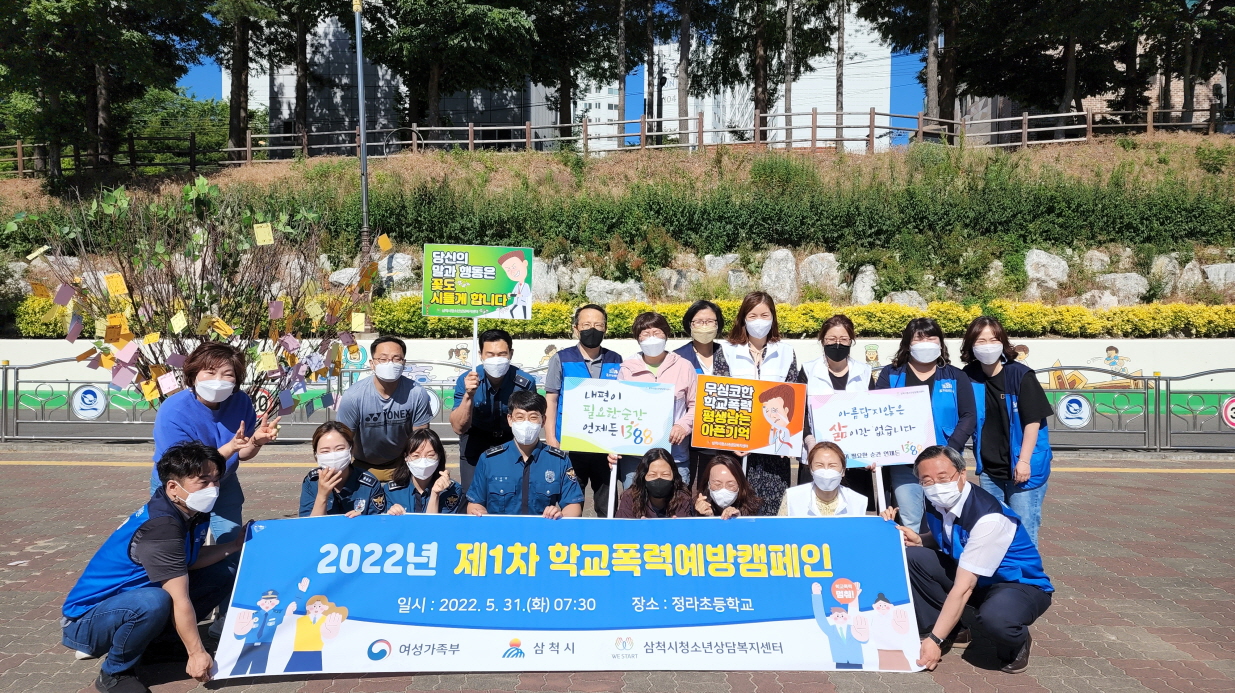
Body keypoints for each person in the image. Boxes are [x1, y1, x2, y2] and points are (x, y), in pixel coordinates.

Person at [62, 442, 245, 693]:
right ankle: (115, 673)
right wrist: (196, 652)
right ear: (173, 487)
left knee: (223, 571)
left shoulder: (189, 509)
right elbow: (179, 597)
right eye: (203, 482)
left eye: (216, 481)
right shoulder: (162, 528)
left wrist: (233, 546)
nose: (212, 489)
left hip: (128, 602)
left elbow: (189, 560)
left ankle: (159, 647)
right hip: (86, 620)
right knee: (154, 600)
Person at [894, 445, 1053, 674]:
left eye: (943, 478)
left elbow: (964, 587)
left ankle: (1017, 641)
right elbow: (949, 535)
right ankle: (952, 631)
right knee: (913, 557)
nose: (935, 486)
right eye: (926, 480)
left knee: (997, 619)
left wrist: (935, 641)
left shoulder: (988, 518)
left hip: (1017, 584)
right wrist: (921, 539)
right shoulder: (935, 500)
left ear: (962, 473)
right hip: (976, 576)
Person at [152, 342, 278, 549]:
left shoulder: (241, 402)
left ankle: (226, 570)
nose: (218, 381)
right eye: (210, 372)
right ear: (193, 375)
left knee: (233, 542)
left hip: (223, 481)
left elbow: (242, 453)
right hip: (181, 484)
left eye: (227, 374)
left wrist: (256, 441)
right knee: (176, 546)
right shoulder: (173, 411)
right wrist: (231, 447)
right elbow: (186, 469)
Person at [872, 317, 976, 533]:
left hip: (944, 462)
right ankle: (914, 554)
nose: (926, 343)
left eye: (931, 338)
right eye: (919, 339)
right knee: (909, 521)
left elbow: (968, 415)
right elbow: (877, 413)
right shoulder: (891, 374)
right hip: (903, 463)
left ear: (941, 343)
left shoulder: (956, 376)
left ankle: (944, 554)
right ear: (907, 344)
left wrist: (950, 450)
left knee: (945, 519)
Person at [960, 316, 1053, 544]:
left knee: (1023, 533)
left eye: (994, 339)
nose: (988, 346)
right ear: (971, 345)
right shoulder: (969, 376)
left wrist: (1024, 461)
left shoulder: (1020, 375)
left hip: (1023, 469)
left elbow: (1033, 421)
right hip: (990, 470)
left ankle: (1025, 570)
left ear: (1003, 342)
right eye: (981, 341)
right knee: (993, 532)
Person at [718, 291, 800, 515]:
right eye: (752, 316)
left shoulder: (785, 352)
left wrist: (789, 439)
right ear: (743, 318)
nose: (759, 321)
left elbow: (793, 396)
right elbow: (721, 400)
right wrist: (732, 441)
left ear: (773, 318)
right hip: (738, 447)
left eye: (765, 315)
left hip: (774, 448)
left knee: (772, 510)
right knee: (736, 508)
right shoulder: (726, 351)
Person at [543, 304, 622, 516]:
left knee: (607, 505)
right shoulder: (561, 359)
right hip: (570, 443)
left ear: (605, 328)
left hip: (604, 445)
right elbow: (551, 400)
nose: (592, 329)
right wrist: (551, 438)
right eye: (586, 325)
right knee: (570, 502)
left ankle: (606, 535)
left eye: (598, 325)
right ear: (576, 328)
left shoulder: (616, 360)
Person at [467, 391, 584, 518]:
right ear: (510, 419)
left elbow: (573, 504)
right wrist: (479, 512)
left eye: (533, 417)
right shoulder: (489, 460)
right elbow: (475, 503)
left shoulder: (559, 461)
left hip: (542, 529)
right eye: (520, 417)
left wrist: (560, 515)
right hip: (501, 529)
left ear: (543, 421)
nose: (526, 423)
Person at [449, 328, 537, 495]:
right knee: (473, 495)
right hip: (475, 442)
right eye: (490, 354)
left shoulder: (525, 382)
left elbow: (530, 420)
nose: (496, 359)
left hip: (511, 442)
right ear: (481, 355)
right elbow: (458, 427)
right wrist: (469, 395)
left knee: (512, 494)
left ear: (510, 354)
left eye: (502, 354)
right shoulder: (467, 379)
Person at [335, 335, 434, 484]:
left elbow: (421, 439)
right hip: (363, 466)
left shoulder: (417, 393)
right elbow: (343, 440)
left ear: (403, 363)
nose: (390, 363)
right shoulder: (353, 396)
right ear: (372, 363)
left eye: (396, 359)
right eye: (383, 359)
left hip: (402, 464)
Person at [614, 311, 697, 486]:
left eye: (657, 332)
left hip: (675, 456)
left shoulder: (684, 366)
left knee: (677, 501)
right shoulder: (627, 368)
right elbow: (617, 409)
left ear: (666, 335)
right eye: (645, 333)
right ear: (638, 338)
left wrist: (683, 426)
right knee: (634, 501)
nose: (652, 338)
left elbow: (696, 404)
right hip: (635, 456)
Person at [799, 314, 874, 502]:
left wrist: (873, 450)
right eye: (831, 339)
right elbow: (800, 412)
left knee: (854, 509)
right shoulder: (808, 370)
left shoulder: (864, 372)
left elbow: (874, 412)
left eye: (843, 339)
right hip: (817, 457)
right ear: (822, 341)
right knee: (813, 508)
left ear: (851, 341)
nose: (837, 344)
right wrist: (810, 443)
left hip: (856, 459)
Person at [673, 300, 730, 485]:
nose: (704, 326)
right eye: (698, 321)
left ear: (718, 324)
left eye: (710, 321)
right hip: (689, 439)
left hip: (724, 437)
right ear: (690, 324)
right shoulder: (677, 358)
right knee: (687, 489)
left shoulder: (730, 355)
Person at [298, 422, 382, 517]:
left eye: (340, 449)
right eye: (325, 451)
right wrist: (322, 496)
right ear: (316, 454)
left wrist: (361, 520)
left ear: (351, 449)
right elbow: (308, 524)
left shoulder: (369, 485)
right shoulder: (312, 481)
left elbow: (379, 522)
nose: (333, 455)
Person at [385, 428, 466, 515]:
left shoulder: (452, 490)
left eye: (430, 455)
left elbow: (434, 523)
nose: (423, 461)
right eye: (416, 456)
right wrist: (392, 515)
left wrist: (435, 494)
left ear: (439, 456)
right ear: (406, 457)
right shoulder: (392, 491)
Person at [778, 442, 870, 517]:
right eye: (819, 465)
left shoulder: (858, 501)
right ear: (811, 469)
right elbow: (780, 531)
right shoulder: (792, 497)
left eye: (832, 465)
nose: (826, 471)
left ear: (843, 471)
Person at [615, 448, 694, 518]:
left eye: (665, 474)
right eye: (652, 475)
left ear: (673, 476)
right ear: (643, 476)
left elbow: (686, 527)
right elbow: (622, 527)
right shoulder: (630, 498)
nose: (659, 478)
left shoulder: (682, 498)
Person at [693, 453, 762, 519]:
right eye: (717, 484)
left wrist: (738, 519)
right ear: (708, 484)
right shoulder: (697, 506)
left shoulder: (753, 508)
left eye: (730, 485)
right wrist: (707, 517)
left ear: (740, 485)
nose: (724, 490)